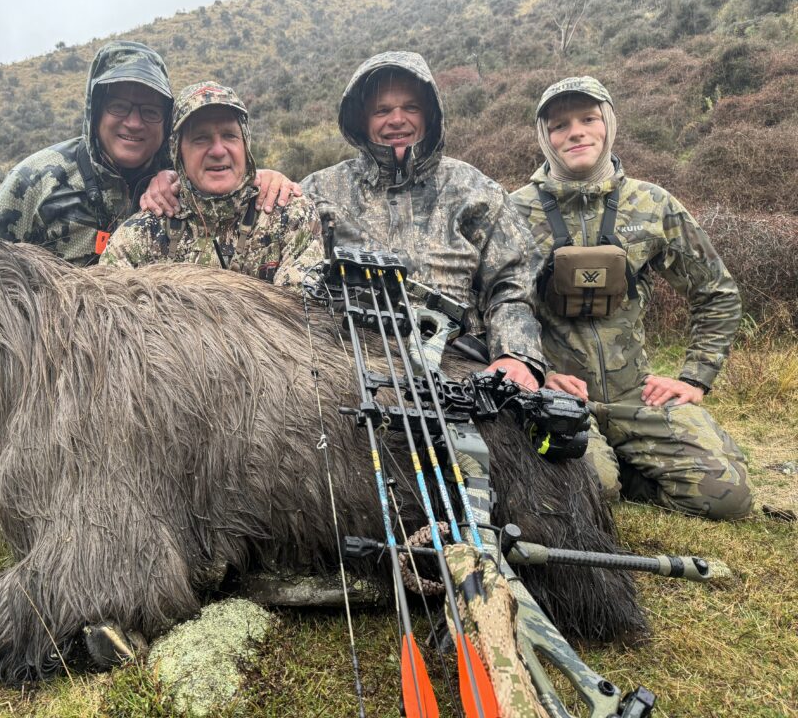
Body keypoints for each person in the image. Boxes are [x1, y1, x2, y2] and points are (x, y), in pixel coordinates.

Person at [0, 41, 298, 582]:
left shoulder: (179, 169)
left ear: (166, 124)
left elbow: (225, 168)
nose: (133, 122)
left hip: (138, 371)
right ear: (94, 110)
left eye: (149, 111)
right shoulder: (37, 180)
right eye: (119, 108)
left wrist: (271, 175)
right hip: (39, 359)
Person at [508, 76, 751, 520]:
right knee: (592, 495)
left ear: (609, 124)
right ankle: (610, 474)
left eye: (588, 118)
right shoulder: (512, 212)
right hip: (558, 397)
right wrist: (535, 375)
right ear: (544, 136)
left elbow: (716, 292)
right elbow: (486, 308)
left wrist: (694, 377)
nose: (575, 132)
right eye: (559, 125)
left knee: (727, 498)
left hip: (637, 395)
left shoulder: (653, 204)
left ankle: (631, 470)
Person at [301, 51, 546, 390]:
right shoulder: (318, 191)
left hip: (459, 364)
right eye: (382, 110)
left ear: (430, 115)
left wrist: (515, 355)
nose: (397, 119)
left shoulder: (476, 189)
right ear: (361, 120)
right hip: (348, 364)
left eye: (410, 108)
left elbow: (513, 283)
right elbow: (295, 283)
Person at [101, 81, 323, 285]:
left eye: (229, 136)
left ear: (245, 145)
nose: (218, 151)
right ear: (178, 152)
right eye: (201, 138)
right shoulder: (140, 234)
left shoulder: (289, 215)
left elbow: (302, 313)